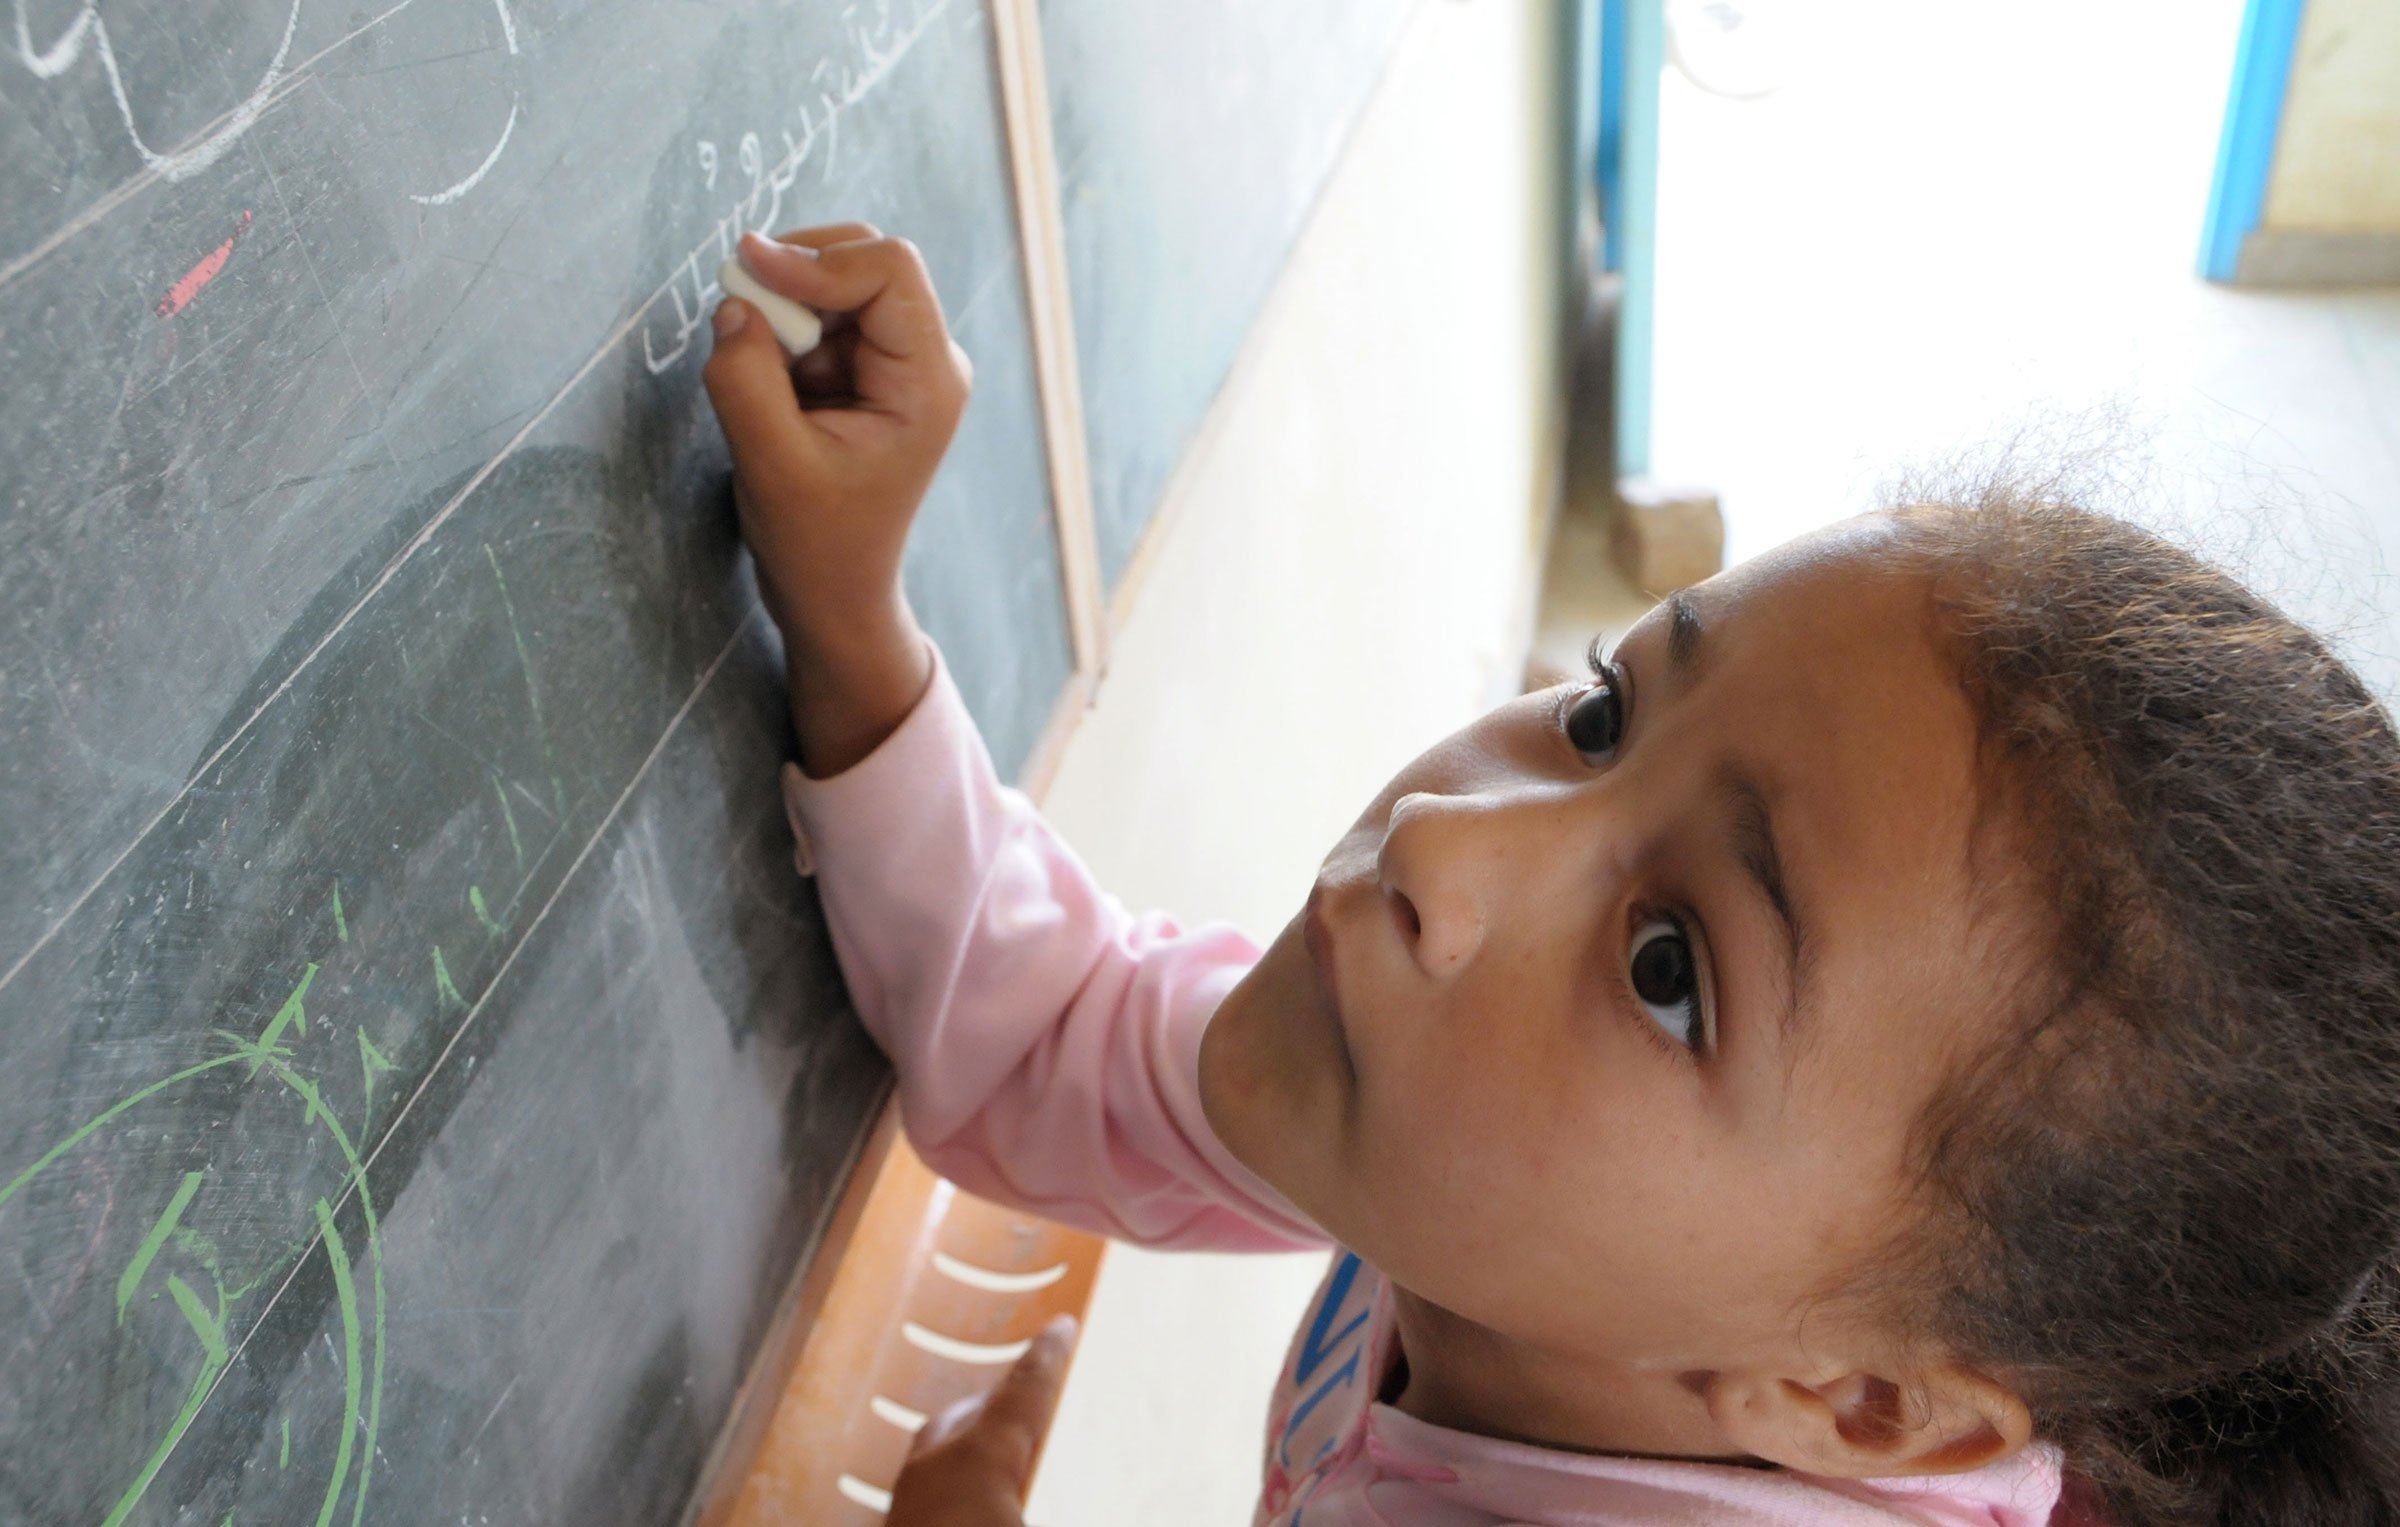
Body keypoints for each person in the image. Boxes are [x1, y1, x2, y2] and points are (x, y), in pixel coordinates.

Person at [701, 224, 2400, 1527]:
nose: (1446, 842)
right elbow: (1061, 1033)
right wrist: (852, 623)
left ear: (1863, 1411)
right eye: (1603, 710)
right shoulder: (1500, 1154)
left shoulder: (1491, 1132)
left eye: (1672, 968)